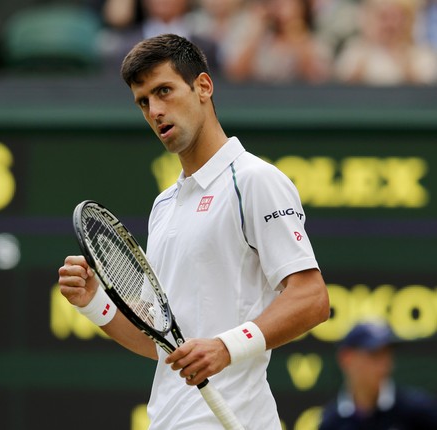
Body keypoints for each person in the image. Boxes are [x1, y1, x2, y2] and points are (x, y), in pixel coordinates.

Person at [58, 34, 330, 429]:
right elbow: (164, 344)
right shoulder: (164, 206)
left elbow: (312, 299)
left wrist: (225, 347)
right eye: (143, 102)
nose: (155, 110)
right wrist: (92, 302)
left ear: (203, 86)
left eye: (164, 91)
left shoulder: (254, 180)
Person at [319, 321, 437, 429]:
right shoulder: (331, 422)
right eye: (374, 355)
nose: (385, 365)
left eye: (387, 355)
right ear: (346, 359)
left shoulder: (419, 411)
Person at [221, 0, 333, 84]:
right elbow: (235, 74)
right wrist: (257, 30)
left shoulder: (312, 40)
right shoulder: (258, 36)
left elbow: (318, 78)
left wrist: (296, 35)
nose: (280, 7)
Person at [334, 0, 437, 85]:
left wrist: (402, 60)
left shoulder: (421, 54)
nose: (390, 24)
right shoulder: (354, 52)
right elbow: (341, 88)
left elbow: (425, 92)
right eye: (384, 17)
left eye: (396, 18)